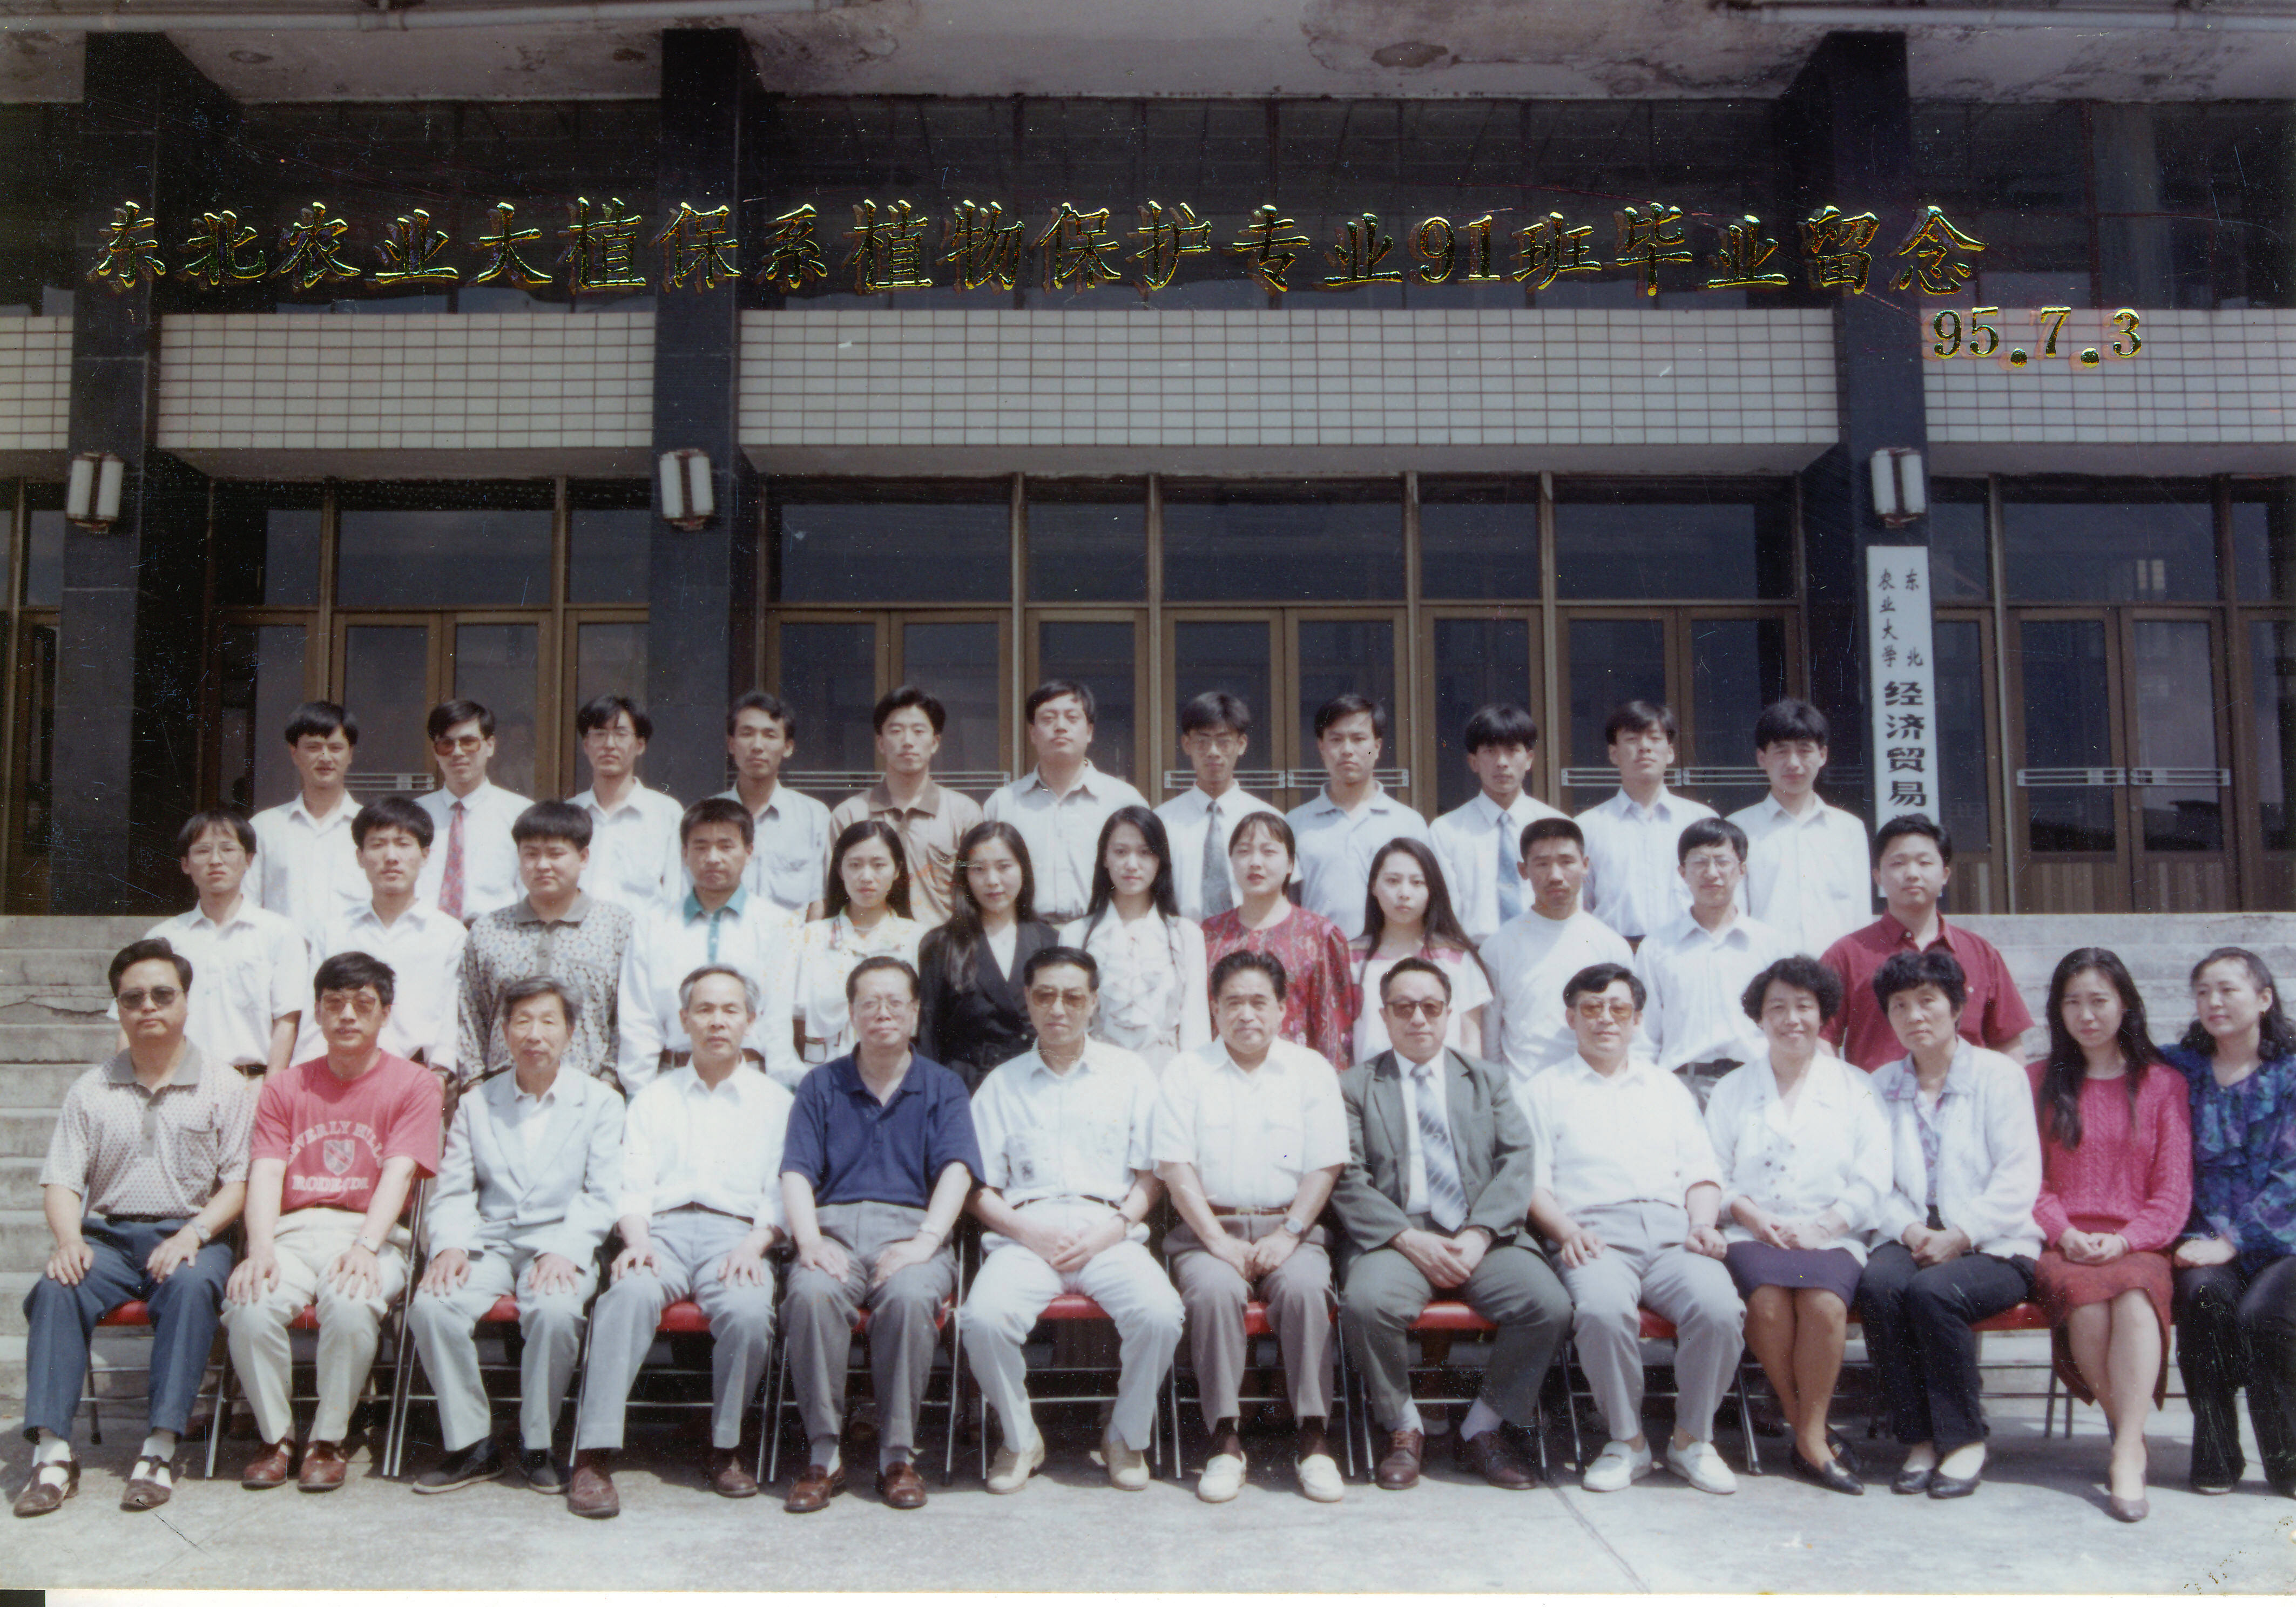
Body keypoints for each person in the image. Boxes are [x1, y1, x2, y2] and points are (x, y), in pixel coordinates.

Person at [14, 940, 254, 1518]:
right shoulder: (90, 1089)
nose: (148, 1006)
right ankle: (52, 1454)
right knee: (57, 1287)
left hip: (192, 1235)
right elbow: (62, 1180)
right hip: (111, 1239)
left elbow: (240, 1182)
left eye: (162, 995)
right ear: (118, 1009)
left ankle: (159, 1447)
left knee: (192, 1287)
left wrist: (193, 1234)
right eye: (133, 998)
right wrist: (70, 1241)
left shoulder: (224, 1084)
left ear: (186, 1002)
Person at [1334, 957, 1571, 1494]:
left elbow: (1518, 1162)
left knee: (1547, 1305)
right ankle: (1404, 1427)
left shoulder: (1488, 1079)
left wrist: (1479, 1234)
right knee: (1366, 1304)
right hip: (1396, 1236)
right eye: (1403, 1008)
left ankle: (1481, 1428)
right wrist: (1406, 1238)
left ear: (1447, 1013)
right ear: (1383, 1016)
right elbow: (1347, 1176)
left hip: (1480, 1232)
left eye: (1430, 1007)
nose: (1418, 1018)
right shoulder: (1355, 1086)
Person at [568, 967, 794, 1518]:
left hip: (736, 1236)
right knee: (626, 1295)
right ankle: (593, 1453)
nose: (717, 1021)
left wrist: (756, 1245)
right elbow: (633, 1181)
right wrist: (636, 1240)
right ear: (684, 1019)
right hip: (660, 1234)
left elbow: (781, 1189)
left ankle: (725, 1447)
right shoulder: (653, 1098)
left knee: (748, 1310)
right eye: (705, 1009)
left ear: (750, 1020)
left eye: (730, 1010)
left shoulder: (775, 1101)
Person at [962, 947, 1183, 1494]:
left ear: (1094, 1003)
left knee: (1160, 1314)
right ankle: (1020, 1439)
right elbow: (978, 1187)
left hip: (1107, 1229)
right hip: (1026, 1232)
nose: (1057, 1008)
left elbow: (1152, 1175)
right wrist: (1025, 1231)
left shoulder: (1130, 1074)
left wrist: (1114, 1228)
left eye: (1072, 997)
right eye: (1044, 996)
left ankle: (1124, 1435)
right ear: (1028, 1001)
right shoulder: (1003, 1083)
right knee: (982, 1319)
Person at [1520, 962, 1745, 1497]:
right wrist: (1566, 1232)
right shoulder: (1543, 1090)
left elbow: (1701, 1172)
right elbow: (1531, 1184)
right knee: (1601, 1311)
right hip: (1593, 1234)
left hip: (1674, 1233)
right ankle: (1628, 1442)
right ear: (1571, 1018)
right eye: (1592, 1008)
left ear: (1637, 1019)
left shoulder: (1666, 1088)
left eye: (1618, 1008)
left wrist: (1702, 1223)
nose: (1606, 1019)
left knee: (1720, 1309)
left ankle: (1691, 1441)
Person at [222, 951, 444, 1493]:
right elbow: (266, 1172)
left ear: (385, 1013)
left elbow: (399, 1173)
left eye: (363, 1004)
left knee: (350, 1303)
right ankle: (277, 1438)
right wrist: (259, 1249)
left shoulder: (415, 1084)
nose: (347, 1015)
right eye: (334, 1003)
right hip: (292, 1231)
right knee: (248, 1305)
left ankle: (328, 1439)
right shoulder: (284, 1087)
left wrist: (366, 1247)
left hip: (371, 1233)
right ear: (318, 1013)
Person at [779, 957, 982, 1514]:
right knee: (810, 1293)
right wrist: (809, 1242)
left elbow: (958, 1171)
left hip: (911, 1232)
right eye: (869, 1003)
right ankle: (824, 1455)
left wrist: (925, 1242)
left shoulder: (942, 1086)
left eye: (896, 1002)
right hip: (834, 1233)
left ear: (916, 1012)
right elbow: (796, 1172)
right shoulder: (821, 1084)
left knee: (912, 1298)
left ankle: (897, 1456)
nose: (883, 1013)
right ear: (851, 1014)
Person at [407, 976, 624, 1497]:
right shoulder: (478, 1102)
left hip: (558, 1240)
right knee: (432, 1306)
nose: (534, 1034)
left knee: (555, 1310)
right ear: (504, 1031)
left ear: (570, 1032)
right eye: (522, 1021)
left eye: (548, 1021)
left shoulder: (600, 1102)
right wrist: (451, 1245)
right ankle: (472, 1444)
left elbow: (602, 1194)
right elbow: (453, 1190)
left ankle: (537, 1444)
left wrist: (567, 1249)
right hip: (491, 1240)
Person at [1154, 951, 1349, 1505]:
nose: (1246, 1014)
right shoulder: (1186, 1072)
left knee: (1306, 1290)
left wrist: (1288, 1234)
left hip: (1291, 1227)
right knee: (1214, 1293)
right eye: (1233, 1002)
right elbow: (1175, 1167)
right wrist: (1218, 1242)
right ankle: (1224, 1441)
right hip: (1207, 1231)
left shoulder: (1310, 1070)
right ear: (1214, 1009)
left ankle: (1313, 1438)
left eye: (1259, 1002)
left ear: (1283, 1008)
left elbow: (1325, 1165)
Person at [1856, 948, 2042, 1501]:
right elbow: (1873, 1180)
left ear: (1957, 1006)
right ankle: (1918, 1438)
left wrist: (1961, 1235)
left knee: (1936, 1292)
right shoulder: (1879, 1084)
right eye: (1900, 1005)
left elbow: (2018, 1176)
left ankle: (1963, 1440)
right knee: (1881, 1285)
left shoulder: (1999, 1076)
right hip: (1910, 1230)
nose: (1915, 1015)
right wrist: (1913, 1232)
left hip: (1995, 1239)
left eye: (1928, 1001)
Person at [1704, 956, 1892, 1495]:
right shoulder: (1732, 1089)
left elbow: (1875, 1174)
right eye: (1777, 1008)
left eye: (1804, 1007)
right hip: (1753, 1231)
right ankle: (1811, 1434)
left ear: (1823, 1015)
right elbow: (1711, 1171)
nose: (1792, 1020)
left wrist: (1827, 1225)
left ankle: (1808, 1432)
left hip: (1831, 1231)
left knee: (1824, 1306)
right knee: (1765, 1304)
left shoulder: (1856, 1086)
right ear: (1759, 1019)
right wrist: (1751, 1215)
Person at [2029, 947, 2191, 1523]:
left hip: (2139, 1242)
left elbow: (2173, 1189)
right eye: (2072, 1002)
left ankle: (2124, 1450)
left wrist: (2127, 1240)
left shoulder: (2163, 1084)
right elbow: (2028, 1180)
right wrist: (2064, 1231)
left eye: (2099, 1000)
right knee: (2089, 1303)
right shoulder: (2037, 1080)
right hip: (2064, 1241)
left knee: (2134, 1296)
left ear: (2125, 1005)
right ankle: (2130, 1436)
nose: (2086, 1015)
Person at [2165, 946, 2296, 1500]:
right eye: (2203, 992)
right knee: (2203, 1300)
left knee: (2263, 1316)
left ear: (2264, 999)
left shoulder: (2290, 1073)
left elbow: (2292, 1175)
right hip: (2203, 1237)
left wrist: (2234, 1240)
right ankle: (2216, 1451)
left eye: (2227, 990)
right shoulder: (2182, 1068)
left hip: (2285, 1240)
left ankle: (2288, 1459)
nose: (2213, 1002)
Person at [617, 797, 803, 1095]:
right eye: (701, 847)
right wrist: (639, 1092)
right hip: (670, 1083)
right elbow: (638, 1019)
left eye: (726, 846)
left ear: (749, 852)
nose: (713, 858)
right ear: (684, 854)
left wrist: (779, 1091)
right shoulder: (653, 925)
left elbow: (778, 1019)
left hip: (752, 1081)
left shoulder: (778, 925)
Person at [1820, 815, 2034, 1073]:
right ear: (1878, 876)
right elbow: (1822, 1039)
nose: (1912, 874)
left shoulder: (1980, 953)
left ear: (1945, 874)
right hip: (1877, 1095)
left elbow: (2008, 1042)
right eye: (1898, 863)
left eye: (1924, 863)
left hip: (1966, 1095)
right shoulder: (1846, 954)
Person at [457, 800, 632, 1088]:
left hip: (589, 1091)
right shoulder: (488, 930)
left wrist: (609, 1082)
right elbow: (468, 1014)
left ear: (583, 857)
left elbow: (630, 1017)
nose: (542, 865)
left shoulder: (617, 927)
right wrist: (476, 1085)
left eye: (555, 854)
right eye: (531, 854)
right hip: (502, 1092)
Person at [298, 796, 468, 1080]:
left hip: (418, 1078)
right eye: (378, 845)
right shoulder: (333, 932)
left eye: (403, 844)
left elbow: (452, 1019)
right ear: (360, 857)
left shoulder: (449, 935)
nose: (391, 857)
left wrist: (440, 1075)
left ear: (425, 855)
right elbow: (314, 1018)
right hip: (340, 1079)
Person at [135, 810, 306, 1076]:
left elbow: (287, 1021)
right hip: (176, 1082)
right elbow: (133, 1022)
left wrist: (270, 1091)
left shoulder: (279, 933)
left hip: (250, 1082)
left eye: (228, 849)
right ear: (185, 864)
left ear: (249, 859)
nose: (216, 860)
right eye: (203, 851)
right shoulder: (164, 938)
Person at [1638, 818, 1790, 1111]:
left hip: (1755, 1084)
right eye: (1699, 862)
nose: (1711, 873)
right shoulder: (1657, 947)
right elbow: (1645, 1035)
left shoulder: (1770, 945)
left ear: (1742, 870)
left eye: (1722, 862)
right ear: (1682, 872)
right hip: (1680, 1088)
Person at [1480, 818, 1636, 1088]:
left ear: (1585, 865)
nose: (1555, 875)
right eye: (1542, 864)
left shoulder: (1612, 946)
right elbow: (1489, 1041)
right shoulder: (1498, 948)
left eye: (1566, 862)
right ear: (1523, 870)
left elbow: (1628, 1031)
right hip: (1523, 1094)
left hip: (1595, 1091)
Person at [1199, 812, 1356, 1070]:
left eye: (1269, 852)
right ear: (1232, 862)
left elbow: (1334, 1031)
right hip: (1222, 1076)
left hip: (1295, 1077)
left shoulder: (1319, 935)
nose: (1255, 862)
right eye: (1244, 852)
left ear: (1291, 864)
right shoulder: (1208, 935)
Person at [985, 679, 1149, 927]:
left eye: (1072, 718)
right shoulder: (1003, 804)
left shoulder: (1123, 801)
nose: (1060, 727)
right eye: (1048, 719)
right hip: (1025, 933)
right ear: (1032, 733)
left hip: (1103, 931)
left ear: (1090, 732)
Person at [1059, 807, 1210, 1073]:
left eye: (1145, 853)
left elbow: (1195, 1025)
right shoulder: (1076, 935)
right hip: (1098, 1074)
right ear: (1105, 858)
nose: (1132, 864)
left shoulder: (1186, 935)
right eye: (1120, 852)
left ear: (1160, 860)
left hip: (1166, 1073)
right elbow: (1071, 1023)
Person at [916, 821, 1056, 1091]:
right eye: (978, 869)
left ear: (1023, 870)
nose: (992, 881)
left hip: (1036, 1085)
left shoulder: (1050, 941)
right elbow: (929, 1035)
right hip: (965, 1087)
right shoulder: (940, 944)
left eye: (1004, 867)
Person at [828, 685, 983, 927]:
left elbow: (977, 892)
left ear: (935, 742)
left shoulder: (964, 813)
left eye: (919, 731)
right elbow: (833, 893)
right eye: (896, 731)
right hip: (869, 941)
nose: (908, 741)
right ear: (881, 743)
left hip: (942, 942)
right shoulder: (849, 814)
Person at [1727, 699, 1871, 956]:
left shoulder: (1849, 829)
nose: (1793, 763)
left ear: (1823, 755)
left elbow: (1860, 913)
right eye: (1781, 752)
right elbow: (1735, 913)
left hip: (1836, 970)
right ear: (1762, 758)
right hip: (1766, 968)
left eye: (1805, 751)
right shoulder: (1739, 828)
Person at [1286, 694, 1430, 944]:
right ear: (1321, 747)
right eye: (1336, 740)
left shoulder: (1409, 823)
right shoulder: (1295, 823)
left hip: (1390, 956)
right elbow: (1287, 902)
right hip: (1317, 956)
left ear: (1377, 747)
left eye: (1359, 739)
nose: (1347, 750)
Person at [1575, 700, 1715, 946]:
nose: (1644, 747)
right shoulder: (1588, 826)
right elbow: (1580, 904)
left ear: (1670, 752)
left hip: (1687, 949)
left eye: (1654, 738)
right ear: (1614, 754)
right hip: (1613, 951)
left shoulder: (1700, 820)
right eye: (1632, 739)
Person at [792, 820, 927, 1066]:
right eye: (855, 865)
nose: (866, 877)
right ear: (840, 871)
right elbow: (795, 1021)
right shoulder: (810, 937)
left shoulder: (919, 939)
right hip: (825, 1074)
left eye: (878, 865)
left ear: (897, 870)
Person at [1427, 703, 1564, 944]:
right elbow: (1444, 910)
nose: (1502, 762)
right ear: (1474, 762)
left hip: (1543, 949)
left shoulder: (1556, 826)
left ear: (1529, 759)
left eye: (1512, 751)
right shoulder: (1446, 830)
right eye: (1490, 752)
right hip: (1472, 952)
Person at [1349, 839, 1490, 1063]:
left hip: (1445, 1081)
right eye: (1393, 881)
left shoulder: (1457, 957)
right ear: (1374, 886)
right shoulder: (1351, 959)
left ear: (1432, 889)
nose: (1404, 893)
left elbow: (1470, 1040)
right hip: (1370, 1081)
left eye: (1417, 883)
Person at [249, 699, 367, 949]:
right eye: (313, 747)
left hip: (353, 962)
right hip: (281, 960)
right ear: (294, 753)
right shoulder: (265, 828)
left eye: (336, 748)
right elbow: (247, 906)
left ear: (350, 754)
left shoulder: (372, 828)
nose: (325, 757)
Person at [1156, 691, 1278, 924]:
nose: (1213, 752)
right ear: (1187, 744)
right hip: (1181, 938)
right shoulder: (1162, 821)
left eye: (1224, 741)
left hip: (1251, 938)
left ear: (1241, 745)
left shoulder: (1269, 819)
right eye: (1202, 741)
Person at [413, 698, 532, 925]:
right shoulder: (415, 814)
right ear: (435, 752)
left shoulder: (521, 814)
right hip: (424, 936)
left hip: (496, 935)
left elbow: (529, 892)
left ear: (490, 746)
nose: (458, 752)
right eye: (446, 744)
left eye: (469, 742)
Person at [715, 691, 831, 920]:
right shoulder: (706, 816)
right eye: (747, 734)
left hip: (792, 941)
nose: (757, 746)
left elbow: (819, 903)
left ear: (788, 747)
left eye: (770, 735)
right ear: (731, 744)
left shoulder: (814, 816)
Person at [569, 693, 683, 915]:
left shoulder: (666, 813)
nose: (609, 745)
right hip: (579, 934)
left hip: (643, 936)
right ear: (586, 745)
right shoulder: (570, 812)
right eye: (599, 734)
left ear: (640, 745)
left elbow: (675, 892)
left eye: (621, 734)